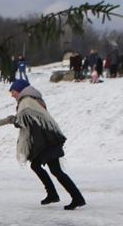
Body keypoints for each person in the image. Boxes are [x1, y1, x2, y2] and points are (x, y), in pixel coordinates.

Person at [7, 80, 85, 210]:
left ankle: (76, 197)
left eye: (13, 92)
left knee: (55, 170)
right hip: (45, 140)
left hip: (47, 141)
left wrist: (15, 120)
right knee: (37, 166)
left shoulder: (27, 101)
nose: (12, 95)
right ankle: (53, 194)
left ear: (19, 90)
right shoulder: (32, 99)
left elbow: (24, 120)